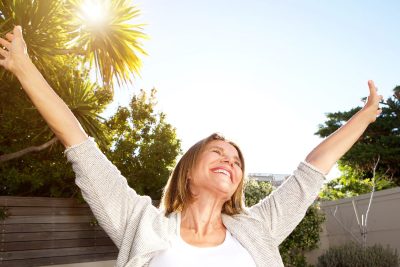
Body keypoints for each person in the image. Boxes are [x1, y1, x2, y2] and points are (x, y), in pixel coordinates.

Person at [0, 26, 383, 267]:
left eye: (236, 160)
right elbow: (79, 143)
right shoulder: (140, 224)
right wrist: (24, 67)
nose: (229, 161)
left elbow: (312, 171)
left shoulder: (258, 228)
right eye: (217, 152)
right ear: (188, 168)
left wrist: (364, 117)